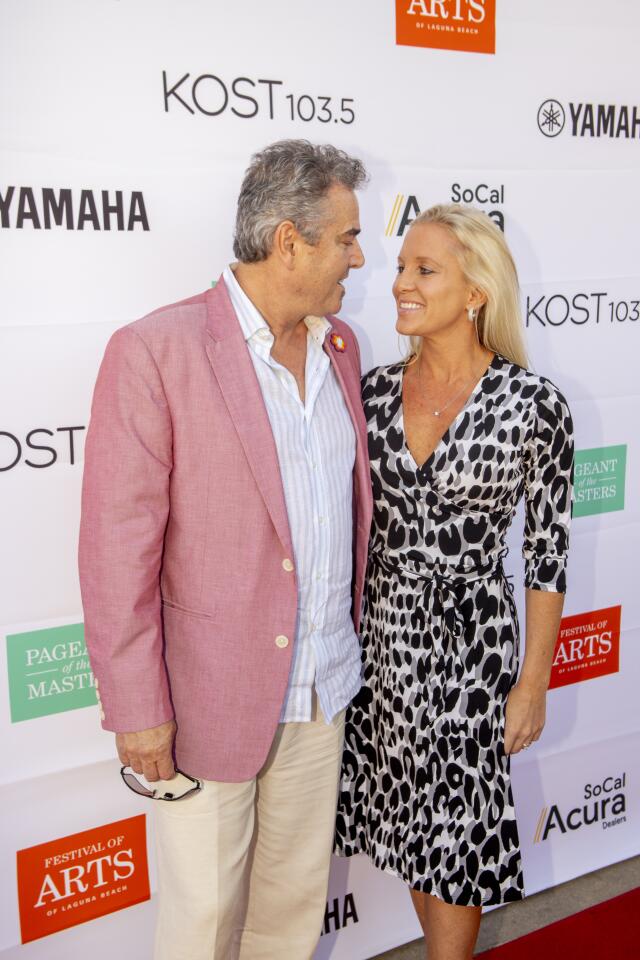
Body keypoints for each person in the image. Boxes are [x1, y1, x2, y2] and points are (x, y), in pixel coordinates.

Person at [78, 139, 373, 960]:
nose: (360, 255)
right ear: (290, 242)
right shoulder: (156, 351)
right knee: (203, 927)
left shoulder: (341, 349)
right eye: (345, 237)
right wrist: (138, 712)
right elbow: (115, 554)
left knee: (289, 916)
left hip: (322, 689)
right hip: (208, 702)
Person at [335, 204, 573, 960]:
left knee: (460, 830)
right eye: (402, 266)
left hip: (474, 646)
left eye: (423, 270)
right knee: (411, 817)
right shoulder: (368, 394)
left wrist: (531, 680)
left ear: (476, 292)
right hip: (381, 642)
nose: (400, 282)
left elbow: (547, 553)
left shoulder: (535, 406)